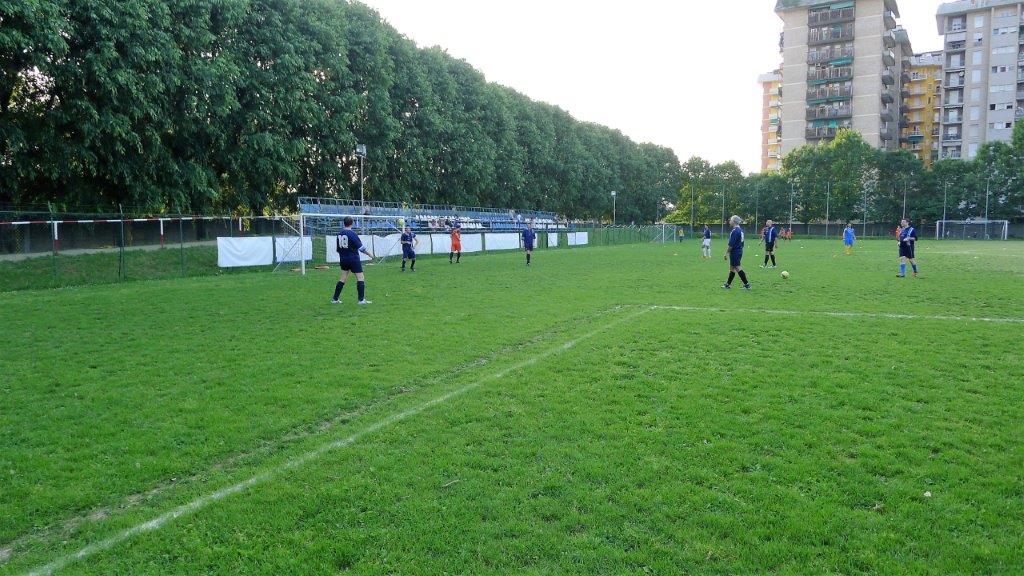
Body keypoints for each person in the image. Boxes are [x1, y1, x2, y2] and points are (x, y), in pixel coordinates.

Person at [331, 216, 374, 305]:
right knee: (360, 277)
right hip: (353, 259)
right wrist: (369, 254)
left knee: (343, 278)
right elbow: (361, 248)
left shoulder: (339, 234)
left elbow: (338, 249)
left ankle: (335, 299)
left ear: (344, 223)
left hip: (343, 259)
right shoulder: (352, 234)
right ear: (352, 223)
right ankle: (361, 300)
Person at [722, 215, 751, 290]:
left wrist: (726, 253)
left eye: (730, 220)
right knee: (732, 268)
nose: (729, 221)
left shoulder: (735, 231)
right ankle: (728, 284)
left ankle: (747, 284)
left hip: (735, 252)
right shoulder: (740, 230)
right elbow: (742, 243)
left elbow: (731, 244)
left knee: (737, 267)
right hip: (739, 251)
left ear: (734, 221)